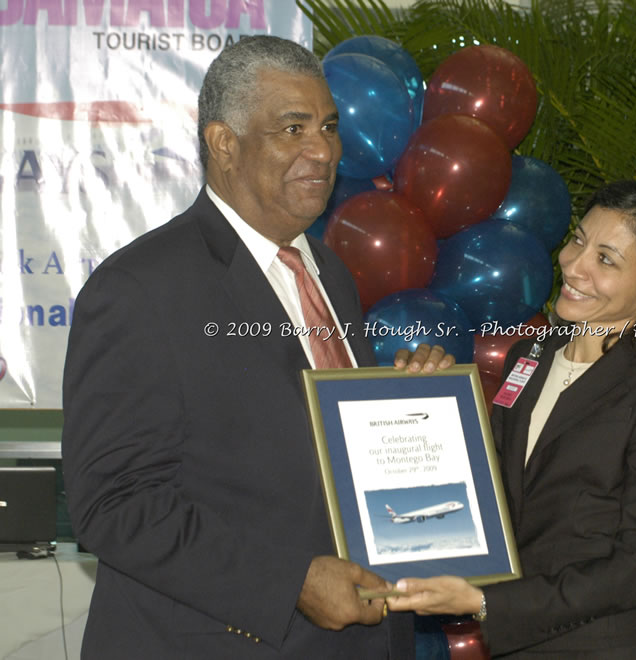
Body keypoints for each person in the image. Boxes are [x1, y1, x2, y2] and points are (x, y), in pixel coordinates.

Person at [61, 36, 452, 659]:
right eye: (293, 129)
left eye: (328, 127)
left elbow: (311, 454)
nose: (323, 150)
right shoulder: (140, 289)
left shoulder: (329, 273)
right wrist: (291, 582)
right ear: (223, 143)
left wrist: (408, 406)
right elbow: (115, 504)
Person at [387, 180, 636, 658]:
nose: (573, 265)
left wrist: (489, 602)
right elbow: (491, 491)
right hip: (517, 646)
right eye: (578, 240)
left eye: (605, 259)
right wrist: (426, 406)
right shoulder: (528, 356)